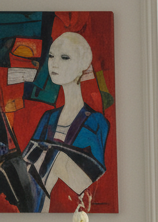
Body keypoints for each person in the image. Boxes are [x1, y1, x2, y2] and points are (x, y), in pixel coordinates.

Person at [23, 31, 110, 212]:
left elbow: (87, 177)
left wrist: (52, 157)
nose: (54, 63)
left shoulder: (96, 121)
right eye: (51, 56)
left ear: (82, 65)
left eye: (64, 57)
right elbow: (26, 165)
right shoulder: (48, 117)